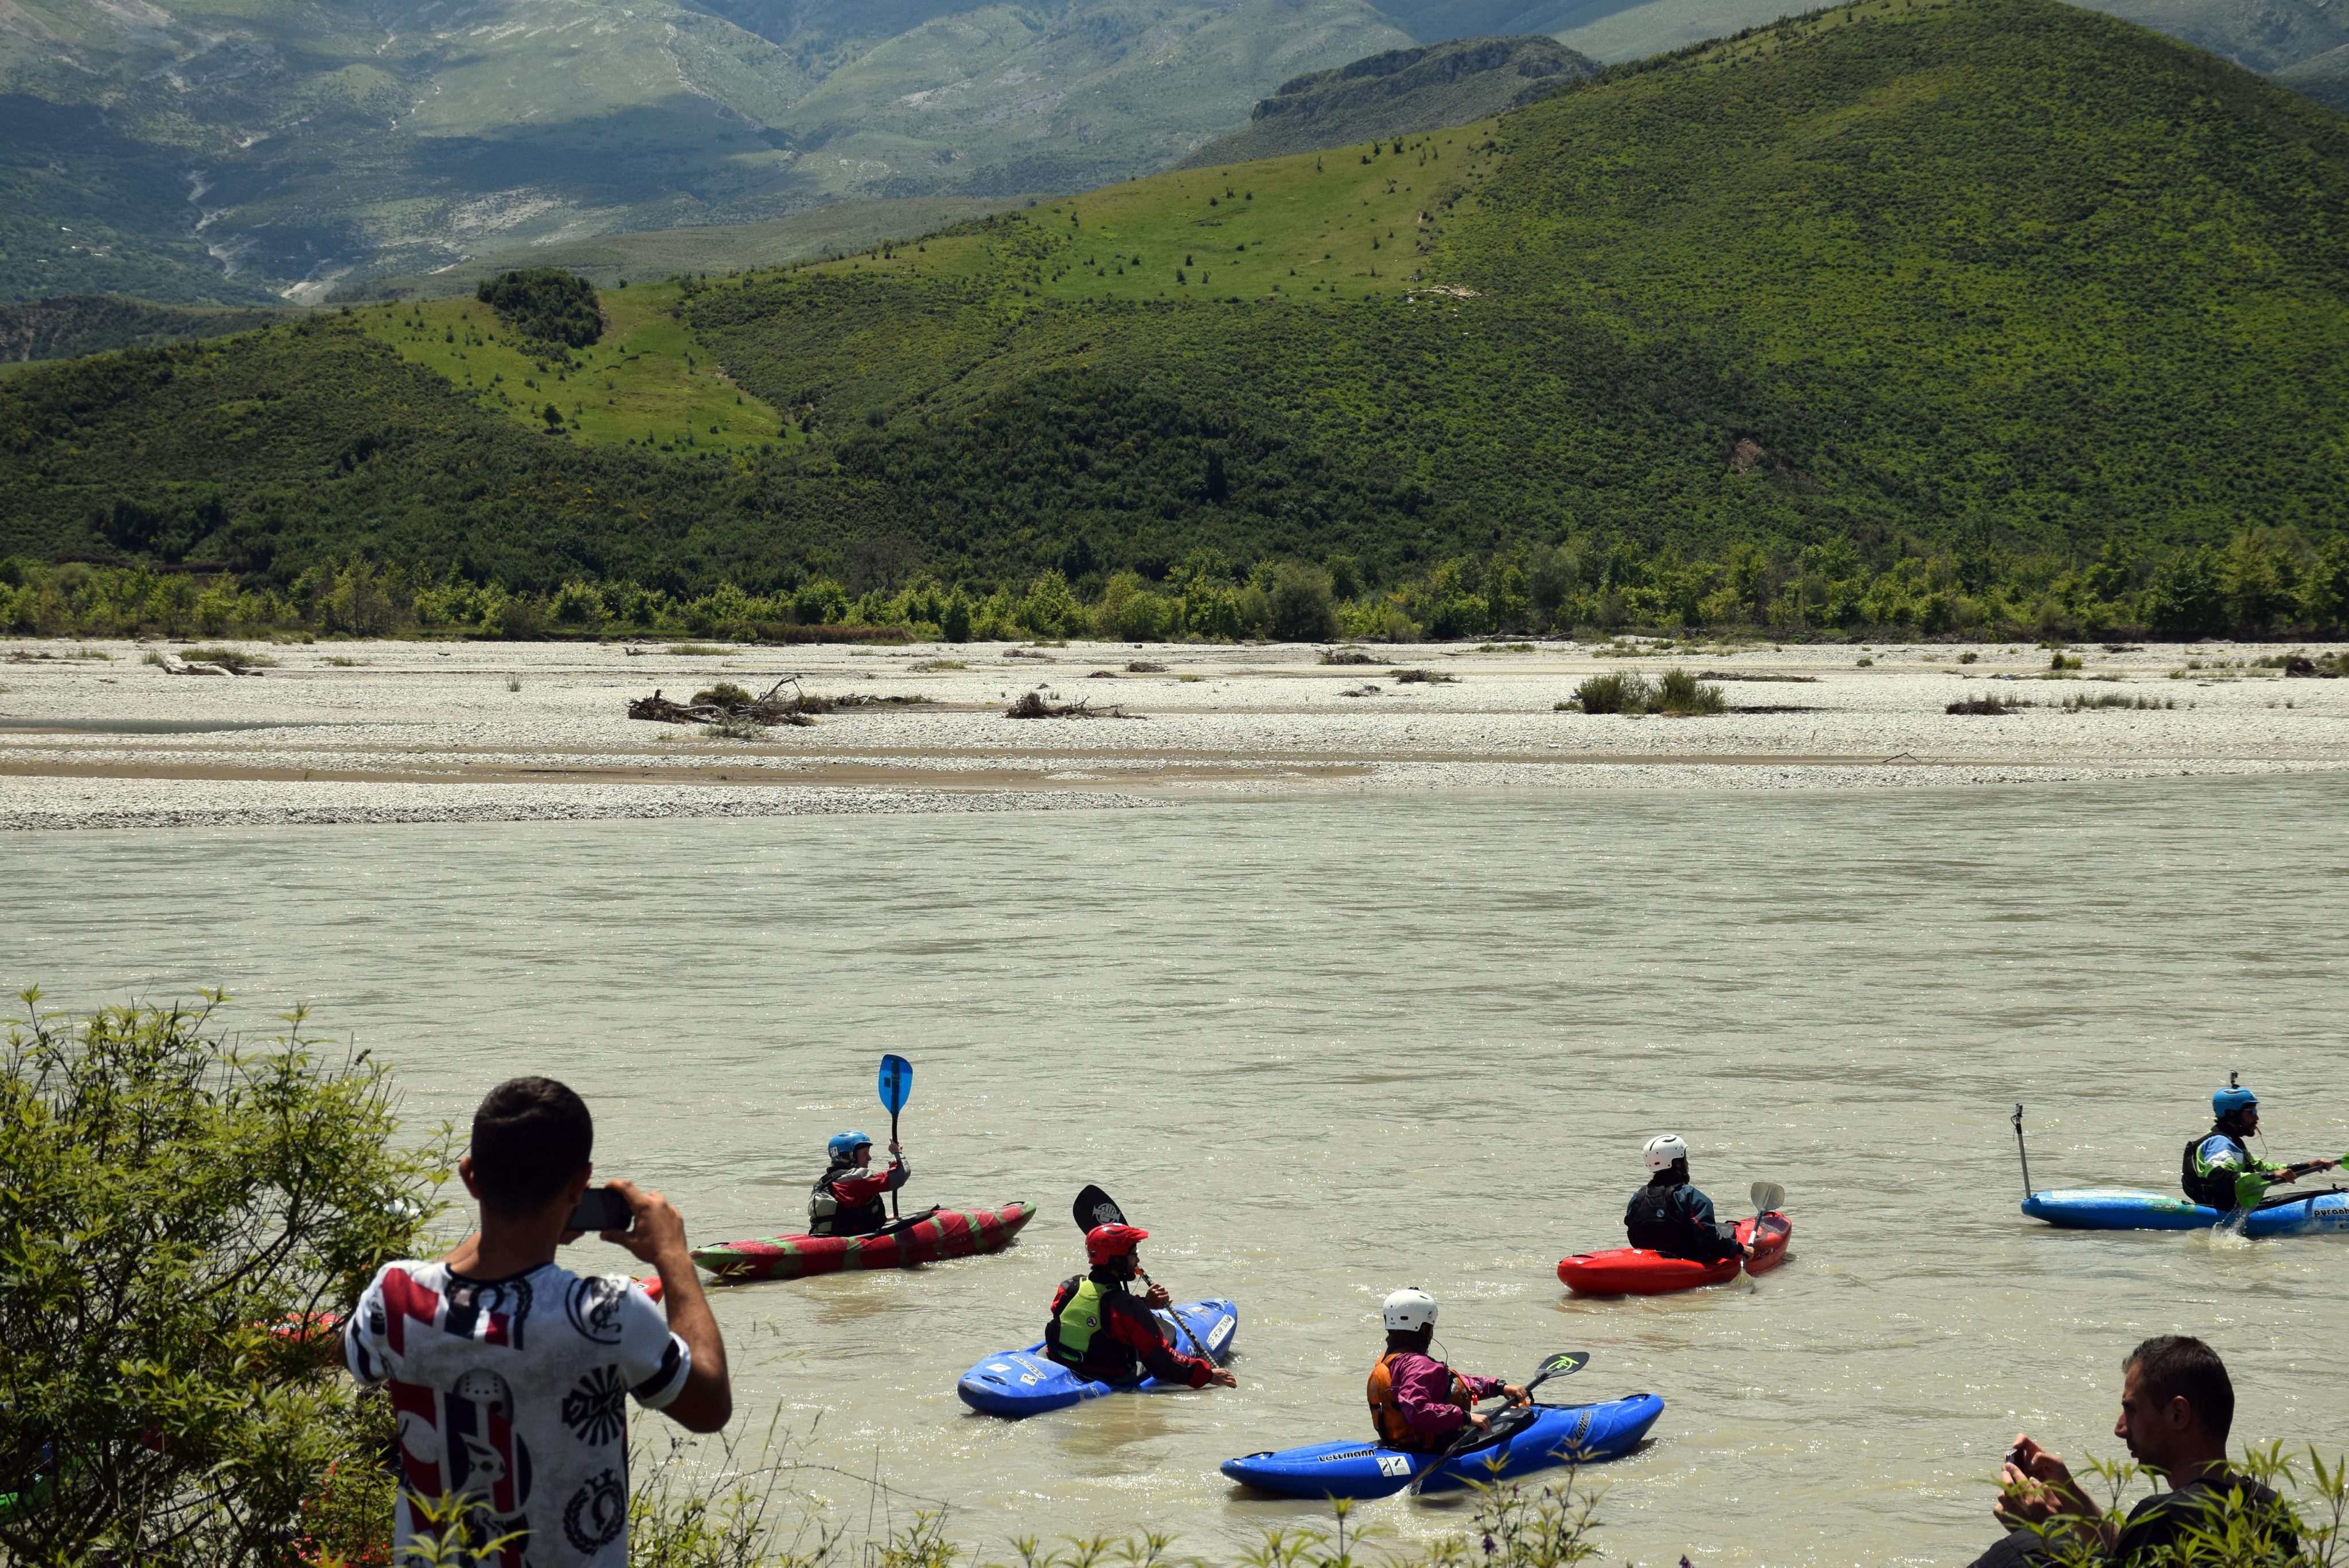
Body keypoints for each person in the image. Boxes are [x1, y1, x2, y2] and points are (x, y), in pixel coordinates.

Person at [344, 1076, 731, 1568]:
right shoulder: (608, 1312)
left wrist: (512, 1236)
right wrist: (673, 1258)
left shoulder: (395, 1296)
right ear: (579, 1185)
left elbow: (358, 1353)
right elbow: (710, 1406)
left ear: (470, 1177)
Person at [1969, 1335, 2299, 1566]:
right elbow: (2129, 1555)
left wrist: (2042, 1532)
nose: (2120, 1428)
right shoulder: (2267, 1507)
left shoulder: (2165, 1516)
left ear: (2178, 1415)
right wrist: (2073, 1502)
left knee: (2015, 1554)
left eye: (2133, 1410)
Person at [1043, 1223, 1238, 1390]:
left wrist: (1145, 1304)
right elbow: (1162, 1365)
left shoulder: (1070, 1287)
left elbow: (1098, 1305)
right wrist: (1208, 1375)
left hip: (1062, 1361)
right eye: (1133, 1254)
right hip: (1105, 1375)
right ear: (1117, 1260)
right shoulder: (1128, 1308)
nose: (1137, 1260)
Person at [1367, 1288, 1528, 1452]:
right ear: (1423, 1330)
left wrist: (1498, 1387)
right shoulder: (1417, 1365)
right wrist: (1466, 1417)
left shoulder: (1391, 1360)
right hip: (1430, 1448)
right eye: (1430, 1327)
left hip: (1402, 1441)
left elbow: (1451, 1385)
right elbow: (1417, 1410)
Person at [2182, 1085, 2338, 1212]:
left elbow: (2263, 1167)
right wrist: (2271, 1175)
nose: (2257, 1118)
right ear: (2232, 1115)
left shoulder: (2231, 1142)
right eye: (2251, 1112)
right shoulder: (2219, 1142)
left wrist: (2309, 1166)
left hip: (2231, 1207)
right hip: (2220, 1210)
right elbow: (2221, 1178)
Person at [1625, 1134, 1752, 1265]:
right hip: (1689, 1259)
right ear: (1677, 1163)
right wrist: (1740, 1248)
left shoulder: (1638, 1198)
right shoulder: (1690, 1196)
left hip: (1649, 1260)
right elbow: (1710, 1242)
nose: (1687, 1163)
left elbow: (1632, 1231)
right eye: (1684, 1158)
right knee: (1725, 1234)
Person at [809, 1129, 909, 1237]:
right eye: (864, 1153)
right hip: (852, 1240)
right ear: (848, 1156)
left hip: (835, 1237)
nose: (869, 1158)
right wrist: (897, 1154)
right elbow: (899, 1175)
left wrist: (884, 1220)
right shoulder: (855, 1178)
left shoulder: (824, 1183)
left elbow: (846, 1215)